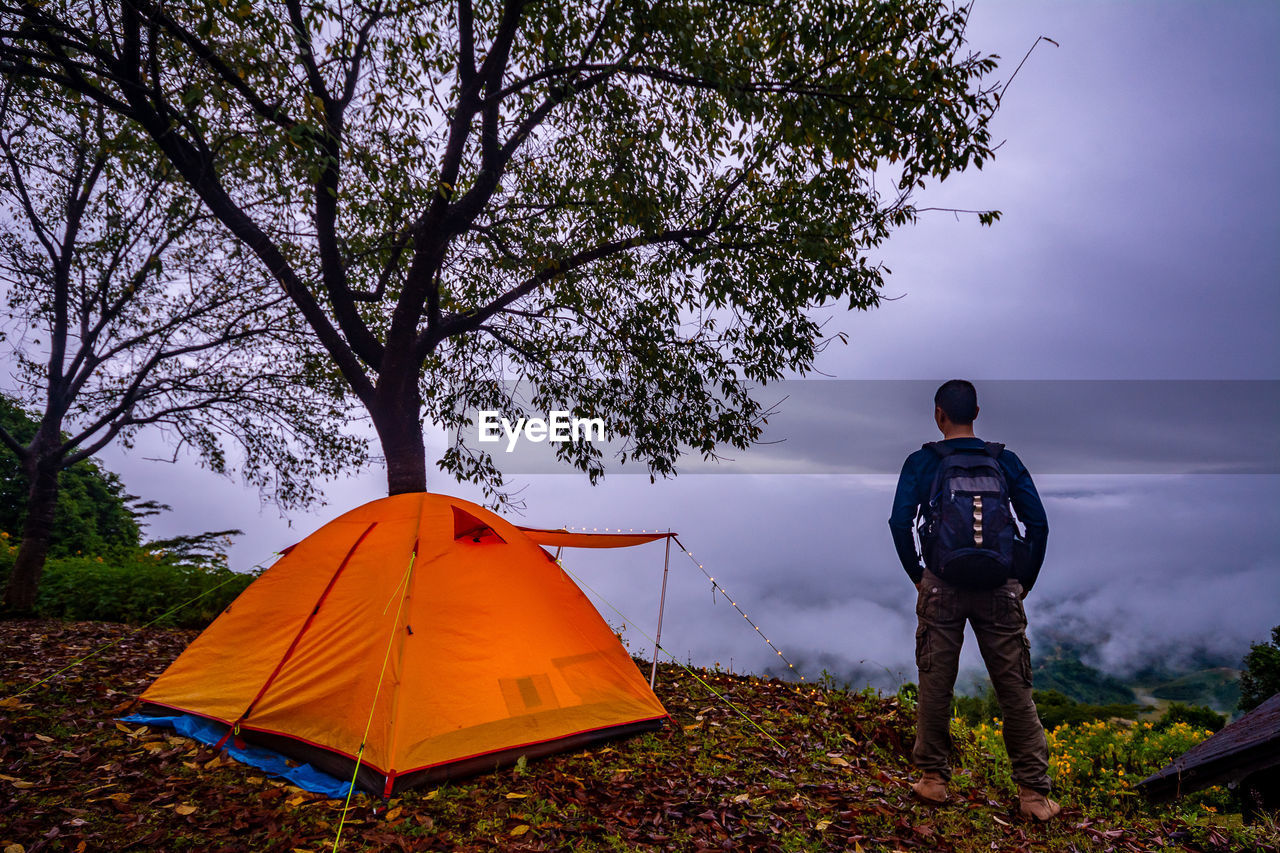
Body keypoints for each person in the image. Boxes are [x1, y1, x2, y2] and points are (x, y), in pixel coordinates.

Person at [888, 379, 1060, 821]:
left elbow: (898, 522)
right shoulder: (1006, 461)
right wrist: (1023, 582)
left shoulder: (923, 462)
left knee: (935, 684)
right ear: (977, 413)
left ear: (938, 414)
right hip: (1000, 587)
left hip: (940, 586)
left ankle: (932, 780)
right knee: (1015, 690)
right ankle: (1034, 797)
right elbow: (1037, 525)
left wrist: (918, 576)